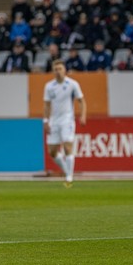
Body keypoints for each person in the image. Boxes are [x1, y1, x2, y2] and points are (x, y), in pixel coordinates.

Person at [43, 59, 87, 187]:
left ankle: (69, 177)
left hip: (67, 119)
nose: (58, 72)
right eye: (55, 69)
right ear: (53, 71)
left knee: (68, 147)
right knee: (52, 151)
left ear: (65, 70)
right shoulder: (49, 86)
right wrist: (45, 120)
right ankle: (66, 171)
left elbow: (81, 100)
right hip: (53, 121)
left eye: (60, 69)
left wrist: (83, 115)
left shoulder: (72, 84)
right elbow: (46, 105)